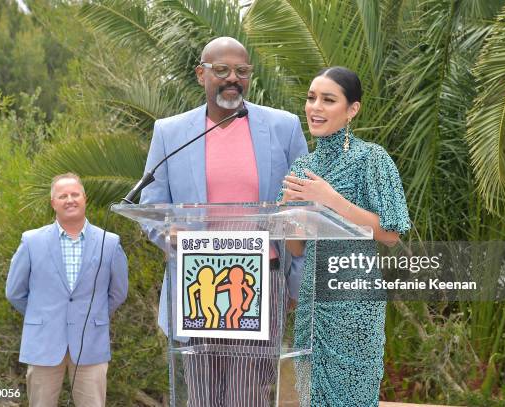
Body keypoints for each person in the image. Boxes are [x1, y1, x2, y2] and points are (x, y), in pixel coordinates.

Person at [140, 36, 308, 406]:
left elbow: (303, 209)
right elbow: (151, 207)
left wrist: (295, 282)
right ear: (201, 74)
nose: (232, 78)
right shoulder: (171, 133)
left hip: (261, 280)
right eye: (222, 70)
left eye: (241, 71)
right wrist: (168, 231)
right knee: (202, 396)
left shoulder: (284, 127)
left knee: (248, 395)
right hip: (198, 281)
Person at [279, 67, 411, 406]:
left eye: (328, 100)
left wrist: (330, 199)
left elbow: (390, 233)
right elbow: (295, 247)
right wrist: (289, 215)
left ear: (352, 109)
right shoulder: (301, 168)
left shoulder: (372, 159)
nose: (315, 107)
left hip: (354, 301)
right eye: (311, 98)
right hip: (312, 302)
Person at [6, 173, 128, 407]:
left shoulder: (110, 243)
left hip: (91, 344)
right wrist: (42, 316)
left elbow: (118, 292)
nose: (69, 199)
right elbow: (14, 292)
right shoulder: (31, 241)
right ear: (53, 203)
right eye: (63, 196)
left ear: (85, 198)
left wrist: (93, 315)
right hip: (43, 343)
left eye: (75, 194)